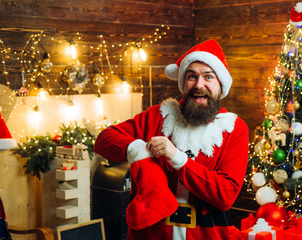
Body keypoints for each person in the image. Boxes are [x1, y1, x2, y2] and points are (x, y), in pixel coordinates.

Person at [94, 39, 249, 240]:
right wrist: (139, 150)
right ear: (183, 82)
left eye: (208, 77)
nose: (199, 85)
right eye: (192, 76)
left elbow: (225, 195)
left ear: (221, 84)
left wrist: (177, 158)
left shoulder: (233, 129)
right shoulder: (158, 116)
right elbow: (104, 140)